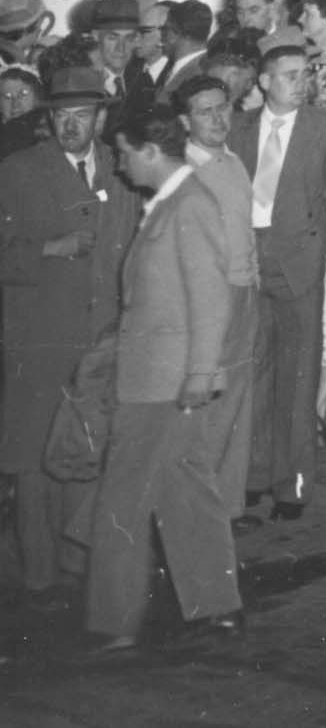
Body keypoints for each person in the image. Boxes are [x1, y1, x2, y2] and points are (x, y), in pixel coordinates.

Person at [81, 107, 242, 652]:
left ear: (151, 150)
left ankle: (115, 621)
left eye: (125, 153)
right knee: (185, 492)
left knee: (123, 499)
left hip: (163, 382)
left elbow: (211, 296)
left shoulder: (189, 204)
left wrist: (200, 373)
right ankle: (217, 608)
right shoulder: (169, 203)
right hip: (158, 375)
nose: (119, 165)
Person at [1, 67, 137, 593]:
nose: (71, 125)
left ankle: (81, 568)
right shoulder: (16, 171)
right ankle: (39, 576)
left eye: (82, 115)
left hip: (101, 340)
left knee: (91, 452)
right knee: (34, 458)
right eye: (61, 116)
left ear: (101, 119)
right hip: (38, 336)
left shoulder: (121, 170)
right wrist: (47, 249)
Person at [233, 40, 326, 523]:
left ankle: (293, 484)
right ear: (264, 82)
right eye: (290, 75)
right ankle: (252, 475)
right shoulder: (240, 128)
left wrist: (323, 255)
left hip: (299, 263)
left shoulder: (325, 128)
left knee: (299, 379)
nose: (301, 83)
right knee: (251, 374)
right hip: (248, 261)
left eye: (305, 74)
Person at [167, 74, 260, 522]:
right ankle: (196, 517)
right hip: (209, 302)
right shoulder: (183, 172)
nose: (218, 118)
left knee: (235, 405)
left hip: (244, 293)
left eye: (223, 108)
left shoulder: (232, 161)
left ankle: (227, 510)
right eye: (205, 112)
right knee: (206, 413)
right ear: (186, 121)